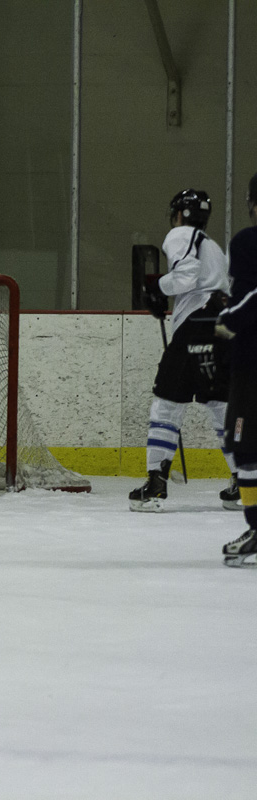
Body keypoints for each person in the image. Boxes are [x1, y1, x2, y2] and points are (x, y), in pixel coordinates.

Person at [130, 189, 233, 512]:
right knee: (221, 404)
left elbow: (185, 278)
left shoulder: (180, 234)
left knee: (167, 403)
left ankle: (156, 484)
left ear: (180, 214)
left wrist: (156, 287)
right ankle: (245, 483)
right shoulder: (213, 246)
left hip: (195, 325)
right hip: (221, 326)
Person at [217, 173, 257, 566]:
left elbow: (251, 298)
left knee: (246, 450)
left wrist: (227, 318)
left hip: (252, 368)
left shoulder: (248, 241)